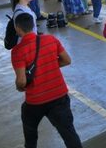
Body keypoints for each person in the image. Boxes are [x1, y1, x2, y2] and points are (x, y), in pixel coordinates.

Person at [10, 13, 82, 148]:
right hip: (59, 96)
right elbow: (67, 60)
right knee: (69, 133)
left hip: (35, 101)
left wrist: (19, 86)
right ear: (32, 25)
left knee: (30, 134)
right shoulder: (50, 39)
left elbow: (21, 81)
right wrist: (51, 64)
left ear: (18, 28)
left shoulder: (18, 51)